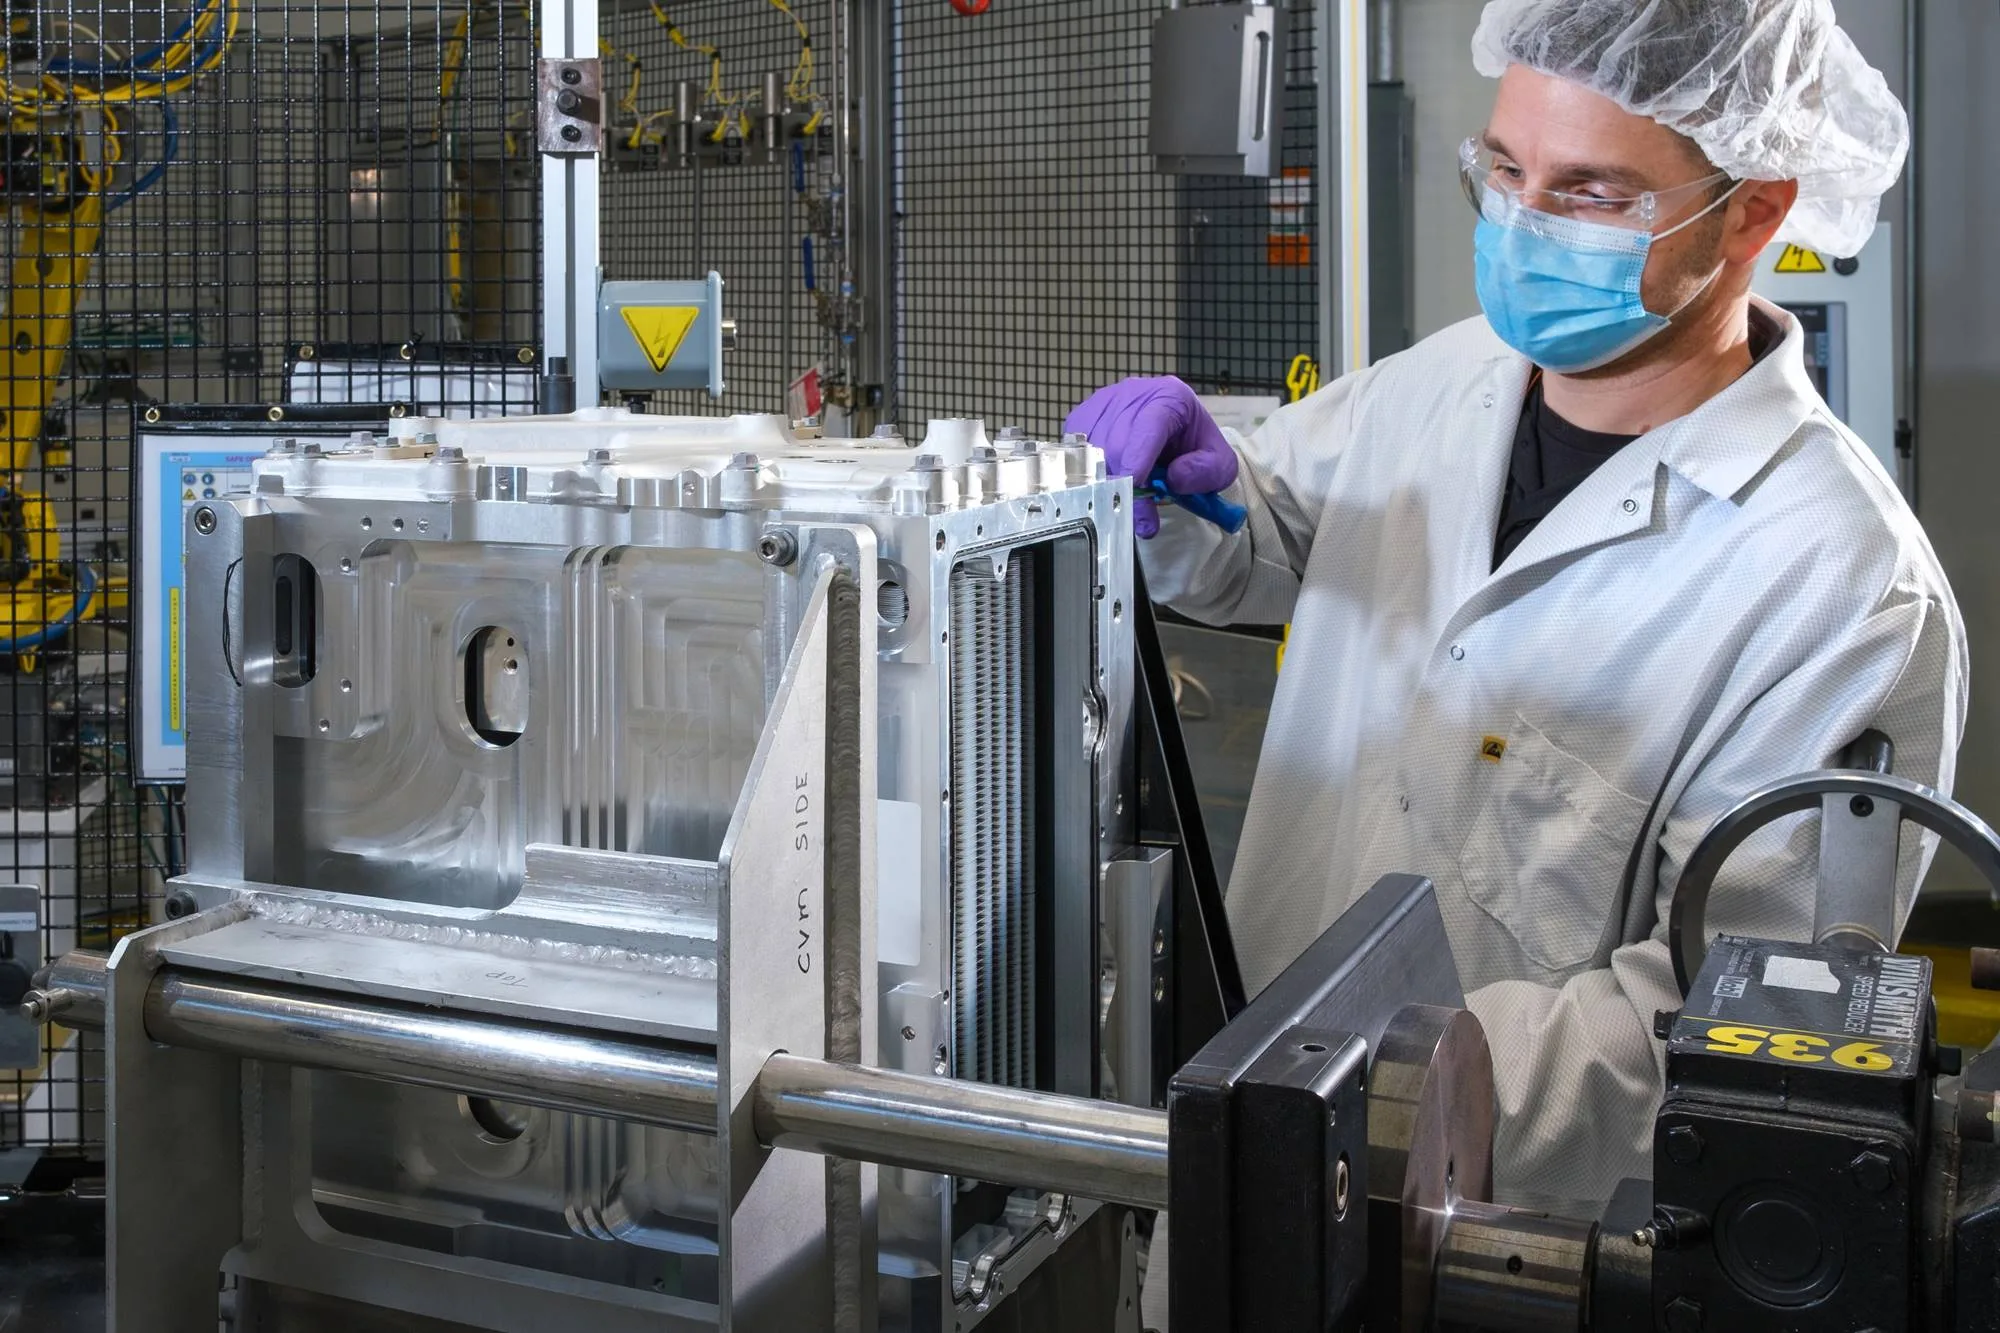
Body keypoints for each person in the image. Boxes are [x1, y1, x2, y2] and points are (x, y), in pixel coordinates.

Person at [1069, 0, 1965, 1322]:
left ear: (1754, 215)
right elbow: (1275, 531)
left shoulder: (1841, 589)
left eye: (1590, 194)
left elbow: (1733, 1029)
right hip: (1246, 1132)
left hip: (1505, 1246)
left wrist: (1378, 1087)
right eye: (1503, 170)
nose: (1523, 225)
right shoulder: (1453, 378)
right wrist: (1195, 496)